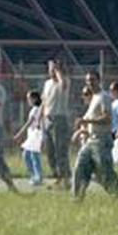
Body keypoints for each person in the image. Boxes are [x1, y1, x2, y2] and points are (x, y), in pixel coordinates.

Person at [71, 71, 118, 202]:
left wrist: (87, 121)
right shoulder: (94, 98)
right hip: (91, 141)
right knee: (80, 167)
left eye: (92, 79)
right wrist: (83, 130)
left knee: (105, 174)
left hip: (101, 141)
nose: (90, 82)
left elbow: (107, 118)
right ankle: (77, 198)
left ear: (99, 80)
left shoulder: (104, 97)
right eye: (87, 80)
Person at [41, 58, 71, 189]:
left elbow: (63, 84)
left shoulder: (64, 80)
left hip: (59, 118)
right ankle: (57, 177)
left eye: (53, 68)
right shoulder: (47, 83)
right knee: (50, 151)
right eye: (50, 68)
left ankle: (65, 179)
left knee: (60, 151)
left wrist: (58, 71)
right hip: (48, 119)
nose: (51, 70)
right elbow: (44, 101)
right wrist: (40, 119)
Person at [14, 90, 44, 186]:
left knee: (33, 155)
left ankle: (38, 176)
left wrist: (19, 134)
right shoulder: (36, 109)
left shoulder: (36, 109)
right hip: (32, 134)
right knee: (27, 154)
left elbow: (29, 122)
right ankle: (34, 175)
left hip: (35, 134)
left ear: (34, 99)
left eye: (29, 98)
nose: (28, 100)